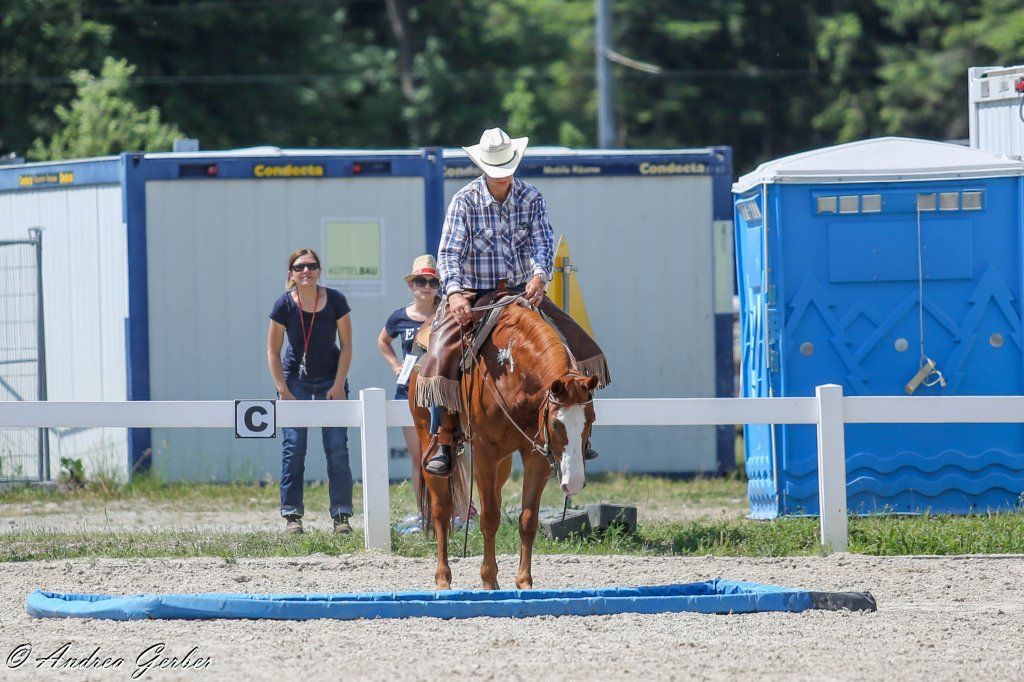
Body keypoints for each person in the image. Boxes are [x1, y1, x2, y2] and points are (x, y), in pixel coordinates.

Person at [415, 127, 610, 476]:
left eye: (507, 167)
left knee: (576, 345)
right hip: (475, 296)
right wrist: (456, 292)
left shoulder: (531, 198)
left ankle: (578, 431)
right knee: (440, 355)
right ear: (483, 167)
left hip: (522, 292)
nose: (502, 175)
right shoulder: (465, 200)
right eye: (496, 168)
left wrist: (539, 276)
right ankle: (443, 436)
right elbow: (449, 253)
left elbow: (542, 244)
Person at [267, 248, 354, 535]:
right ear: (291, 274)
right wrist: (282, 388)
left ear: (319, 270)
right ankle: (292, 515)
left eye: (312, 266)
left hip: (331, 379)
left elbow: (347, 346)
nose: (306, 271)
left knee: (337, 448)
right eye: (300, 267)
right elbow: (273, 350)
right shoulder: (283, 305)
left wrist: (339, 384)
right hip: (296, 381)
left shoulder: (336, 301)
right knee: (294, 447)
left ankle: (341, 516)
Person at [377, 254, 441, 513]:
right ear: (411, 285)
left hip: (441, 391)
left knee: (450, 455)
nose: (427, 286)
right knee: (419, 457)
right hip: (408, 391)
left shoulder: (448, 312)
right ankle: (423, 512)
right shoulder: (398, 317)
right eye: (421, 281)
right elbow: (382, 341)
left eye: (432, 282)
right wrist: (395, 365)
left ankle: (458, 512)